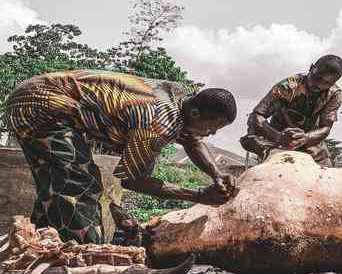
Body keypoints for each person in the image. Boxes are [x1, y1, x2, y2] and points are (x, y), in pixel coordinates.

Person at [4, 70, 238, 245]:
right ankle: (88, 259)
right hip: (41, 104)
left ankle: (38, 248)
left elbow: (193, 139)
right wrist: (197, 195)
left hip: (38, 96)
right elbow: (132, 180)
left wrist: (216, 173)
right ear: (196, 113)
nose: (213, 133)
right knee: (80, 184)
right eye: (213, 126)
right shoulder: (157, 121)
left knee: (58, 188)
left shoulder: (182, 98)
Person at [240, 54, 342, 167]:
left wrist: (306, 138)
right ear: (311, 68)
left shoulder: (335, 94)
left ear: (333, 83)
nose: (318, 85)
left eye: (327, 83)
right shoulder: (287, 87)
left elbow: (326, 128)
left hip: (308, 142)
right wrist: (278, 136)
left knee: (326, 173)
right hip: (277, 138)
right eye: (317, 78)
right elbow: (256, 116)